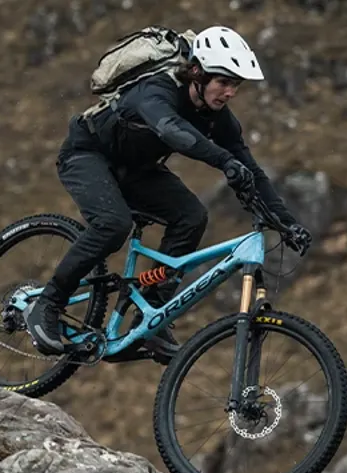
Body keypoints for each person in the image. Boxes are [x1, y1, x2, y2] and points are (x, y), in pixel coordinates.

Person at [24, 25, 313, 358]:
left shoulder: (219, 118)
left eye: (235, 85)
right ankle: (47, 303)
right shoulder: (155, 89)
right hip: (88, 154)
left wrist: (287, 222)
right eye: (223, 82)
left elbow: (253, 171)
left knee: (191, 217)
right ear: (196, 73)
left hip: (138, 171)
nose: (229, 93)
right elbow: (171, 131)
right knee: (113, 225)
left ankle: (150, 318)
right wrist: (223, 161)